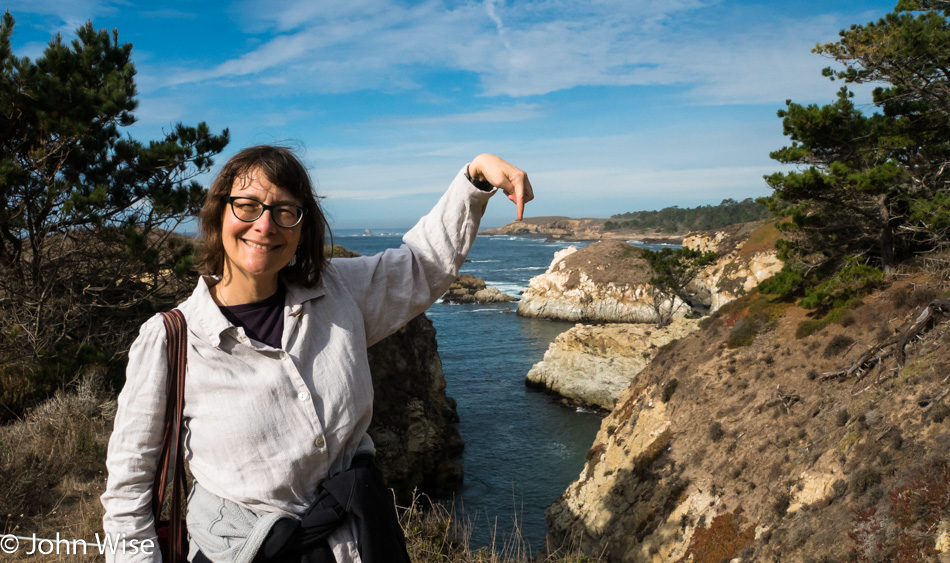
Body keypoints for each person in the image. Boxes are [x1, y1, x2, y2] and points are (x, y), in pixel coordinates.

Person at [100, 145, 533, 562]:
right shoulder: (172, 340)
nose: (265, 226)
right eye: (247, 205)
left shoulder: (339, 290)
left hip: (361, 543)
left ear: (302, 226)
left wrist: (475, 176)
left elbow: (420, 266)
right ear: (218, 213)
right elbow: (128, 493)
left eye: (285, 211)